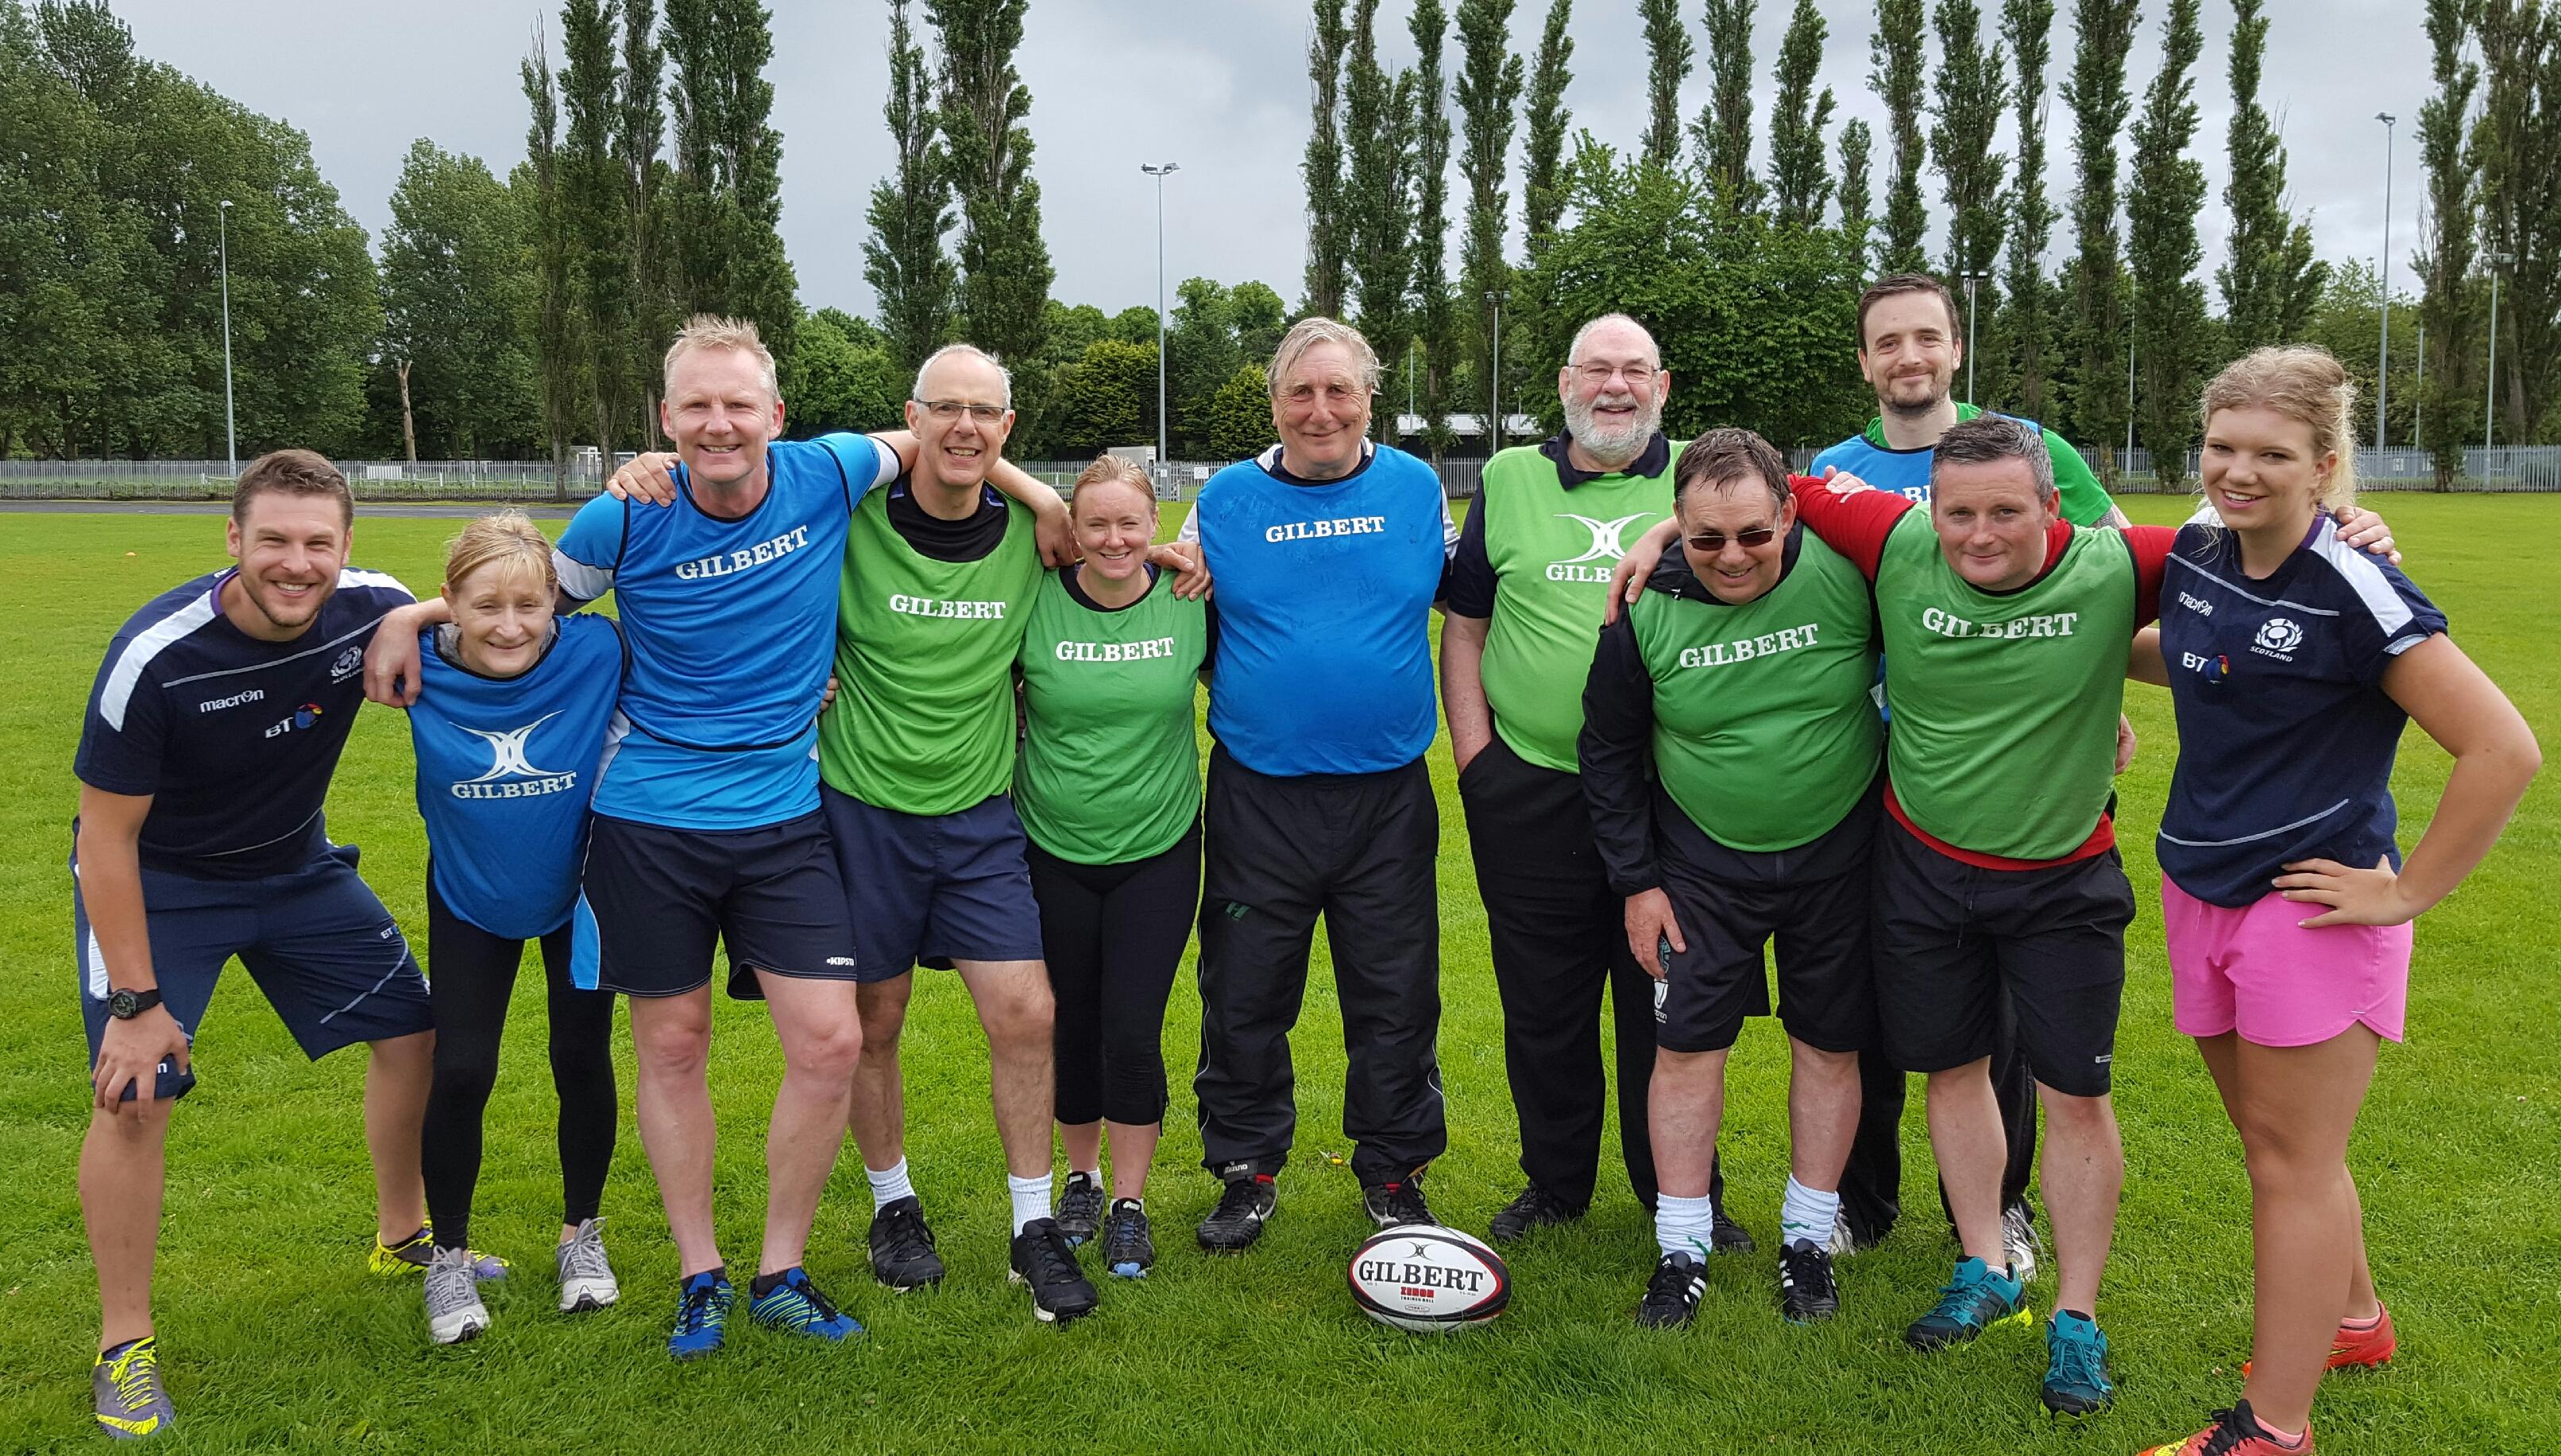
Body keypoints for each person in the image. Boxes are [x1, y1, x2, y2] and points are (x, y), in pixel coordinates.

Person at [370, 315, 1066, 1359]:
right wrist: (410, 619)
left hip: (786, 811)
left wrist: (1047, 495)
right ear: (667, 420)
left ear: (776, 417)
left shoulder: (827, 471)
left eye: (739, 403)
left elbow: (938, 439)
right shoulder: (624, 516)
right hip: (649, 817)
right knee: (674, 1045)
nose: (719, 423)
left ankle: (780, 1268)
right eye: (696, 405)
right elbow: (510, 603)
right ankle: (701, 1274)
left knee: (830, 1041)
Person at [2131, 349, 2536, 1456]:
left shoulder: (2358, 584)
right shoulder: (2199, 556)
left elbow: (2503, 748)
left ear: (2324, 468)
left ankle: (2274, 1430)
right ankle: (2352, 1322)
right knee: (2273, 1142)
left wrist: (2404, 892)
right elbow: (2183, 652)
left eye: (2271, 454)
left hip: (2309, 904)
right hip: (2198, 881)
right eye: (2223, 446)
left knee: (2288, 1163)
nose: (2239, 470)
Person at [77, 450, 438, 1439]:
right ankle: (125, 1344)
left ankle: (403, 1237)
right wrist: (137, 1007)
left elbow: (504, 615)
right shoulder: (155, 657)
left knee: (415, 1030)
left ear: (347, 548)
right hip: (161, 889)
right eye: (273, 539)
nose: (296, 562)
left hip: (296, 871)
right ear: (233, 540)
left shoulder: (375, 605)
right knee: (136, 1092)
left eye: (317, 542)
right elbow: (102, 840)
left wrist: (415, 616)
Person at [1810, 272, 2129, 1274]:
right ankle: (1862, 1202)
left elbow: (2112, 576)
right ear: (1863, 363)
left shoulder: (2035, 453)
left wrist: (2098, 694)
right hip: (1882, 768)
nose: (1907, 358)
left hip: (2031, 783)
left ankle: (1997, 1215)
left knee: (2008, 1022)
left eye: (1925, 339)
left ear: (1955, 350)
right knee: (1877, 996)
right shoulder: (1833, 469)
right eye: (1886, 344)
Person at [1439, 312, 1748, 1253]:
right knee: (1543, 1000)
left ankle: (1678, 1196)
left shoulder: (1707, 470)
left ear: (1663, 385)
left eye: (1633, 371)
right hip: (1526, 785)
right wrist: (1474, 760)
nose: (1613, 387)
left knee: (1667, 998)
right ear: (1565, 384)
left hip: (1670, 790)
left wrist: (1666, 522)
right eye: (1594, 370)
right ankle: (1555, 1185)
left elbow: (1801, 519)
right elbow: (1464, 625)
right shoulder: (1506, 478)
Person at [1578, 430, 1879, 1330]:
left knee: (1828, 1045)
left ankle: (1806, 1240)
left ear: (1787, 512)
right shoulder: (1643, 606)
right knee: (1685, 1051)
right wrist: (1636, 881)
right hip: (1701, 865)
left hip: (1840, 854)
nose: (1732, 558)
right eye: (1704, 539)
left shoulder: (1851, 571)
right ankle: (1681, 1246)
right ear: (1674, 527)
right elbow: (1605, 749)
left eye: (1752, 534)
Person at [1177, 316, 1459, 1248]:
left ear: (1368, 399)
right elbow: (1152, 591)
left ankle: (1392, 1169)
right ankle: (1245, 1168)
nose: (1320, 409)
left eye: (1338, 390)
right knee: (1246, 989)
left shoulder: (1417, 490)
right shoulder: (1220, 501)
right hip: (1261, 794)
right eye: (1300, 392)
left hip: (1386, 796)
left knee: (1396, 991)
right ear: (1273, 404)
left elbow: (1478, 602)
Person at [400, 512, 626, 1345]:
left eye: (528, 605)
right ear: (448, 603)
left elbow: (700, 641)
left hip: (578, 892)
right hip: (468, 896)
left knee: (579, 1057)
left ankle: (581, 1236)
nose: (508, 625)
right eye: (484, 604)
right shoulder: (411, 666)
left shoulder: (595, 652)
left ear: (554, 606)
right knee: (460, 1069)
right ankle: (450, 1255)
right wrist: (403, 621)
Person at [1014, 456, 1211, 1280]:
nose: (1114, 538)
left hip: (1158, 849)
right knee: (1071, 1023)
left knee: (1131, 1030)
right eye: (1094, 523)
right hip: (1049, 845)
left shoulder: (1191, 601)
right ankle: (1082, 1182)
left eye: (1130, 522)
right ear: (1071, 528)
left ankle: (1130, 1204)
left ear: (1156, 525)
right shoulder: (1034, 602)